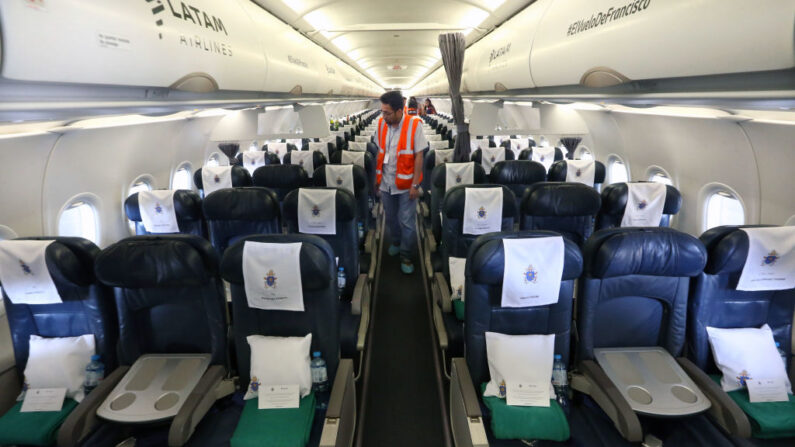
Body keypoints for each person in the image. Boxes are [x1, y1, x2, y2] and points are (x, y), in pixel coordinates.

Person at [375, 91, 427, 274]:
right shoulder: (381, 124)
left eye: (387, 112)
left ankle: (406, 254)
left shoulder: (414, 125)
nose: (384, 116)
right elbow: (380, 151)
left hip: (406, 185)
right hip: (386, 183)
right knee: (390, 218)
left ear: (399, 110)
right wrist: (377, 179)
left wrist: (415, 185)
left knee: (407, 222)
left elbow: (419, 156)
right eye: (382, 112)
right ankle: (396, 241)